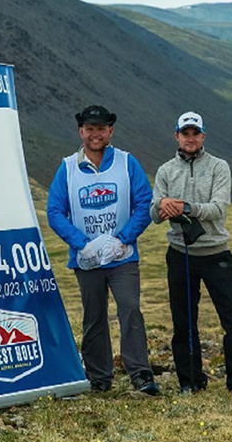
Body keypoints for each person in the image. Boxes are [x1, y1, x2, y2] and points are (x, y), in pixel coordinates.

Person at [47, 105, 159, 395]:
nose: (95, 134)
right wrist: (82, 244)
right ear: (80, 131)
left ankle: (141, 374)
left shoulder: (126, 162)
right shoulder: (68, 167)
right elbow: (55, 211)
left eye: (101, 128)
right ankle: (99, 377)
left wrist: (123, 239)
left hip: (122, 257)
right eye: (89, 128)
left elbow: (144, 203)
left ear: (110, 131)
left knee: (130, 309)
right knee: (93, 315)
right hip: (87, 260)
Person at [150, 111, 232, 399]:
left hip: (216, 254)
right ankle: (190, 380)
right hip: (179, 254)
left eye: (195, 133)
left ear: (203, 137)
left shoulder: (219, 167)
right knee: (183, 320)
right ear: (177, 136)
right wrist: (163, 205)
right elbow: (154, 212)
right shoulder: (165, 171)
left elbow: (218, 208)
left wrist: (184, 207)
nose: (190, 138)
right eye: (185, 133)